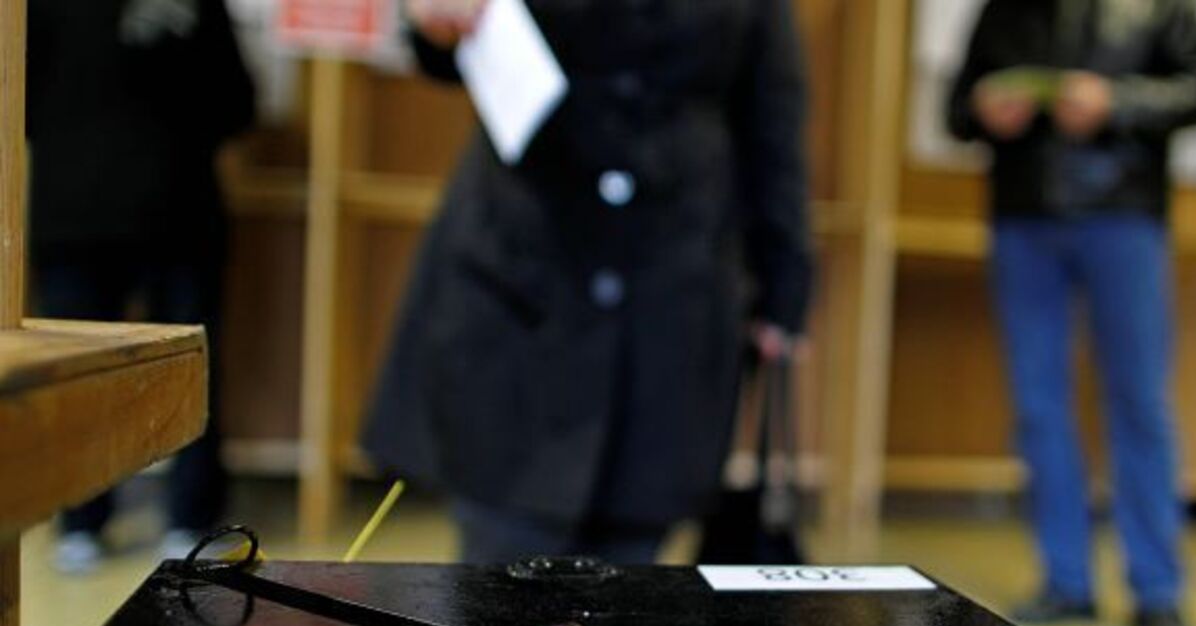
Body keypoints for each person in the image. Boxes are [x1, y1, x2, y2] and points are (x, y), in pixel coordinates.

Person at [364, 0, 812, 565]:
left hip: (673, 293)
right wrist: (431, 19)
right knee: (502, 563)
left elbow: (772, 113)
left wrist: (783, 283)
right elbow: (445, 42)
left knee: (630, 564)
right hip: (519, 281)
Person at [948, 0, 1196, 626]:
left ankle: (1157, 590)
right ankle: (1066, 580)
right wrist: (983, 111)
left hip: (1125, 214)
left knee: (1139, 400)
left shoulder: (1162, 5)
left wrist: (1117, 102)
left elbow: (1193, 87)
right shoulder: (1005, 11)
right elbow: (956, 110)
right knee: (1038, 404)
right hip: (1024, 218)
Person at [27, 0, 256, 573]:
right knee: (191, 369)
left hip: (76, 207)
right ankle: (187, 521)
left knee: (74, 374)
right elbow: (236, 105)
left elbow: (18, 101)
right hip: (175, 203)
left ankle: (80, 525)